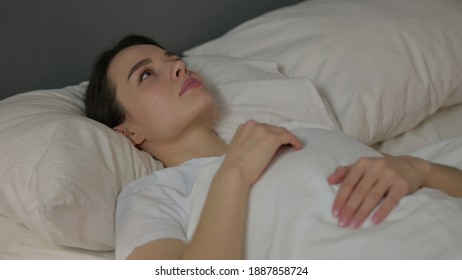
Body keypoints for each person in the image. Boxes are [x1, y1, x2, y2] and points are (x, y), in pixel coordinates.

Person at [85, 34, 462, 259]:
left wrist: (420, 170)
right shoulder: (153, 196)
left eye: (175, 60)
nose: (180, 68)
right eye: (147, 74)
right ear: (128, 131)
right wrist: (233, 173)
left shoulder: (301, 131)